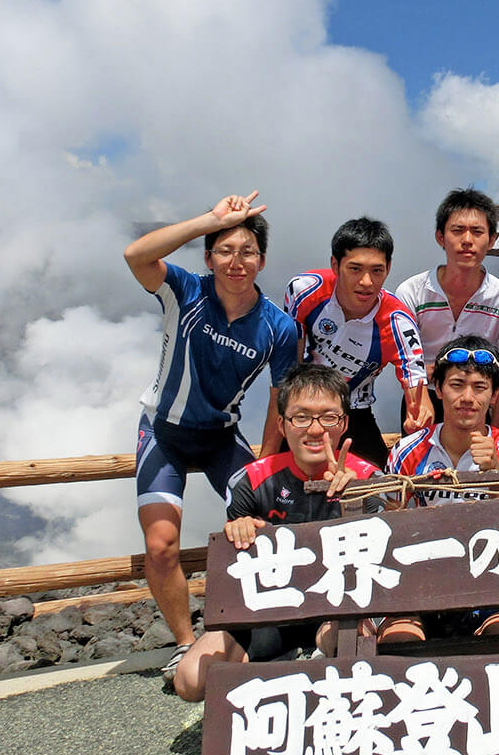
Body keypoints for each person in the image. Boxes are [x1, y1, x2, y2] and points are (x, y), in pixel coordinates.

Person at [124, 191, 299, 680]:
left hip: (222, 436)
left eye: (247, 252)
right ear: (208, 257)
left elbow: (279, 398)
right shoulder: (185, 290)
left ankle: (259, 632)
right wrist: (210, 219)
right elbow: (135, 255)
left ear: (262, 261)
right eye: (224, 250)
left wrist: (266, 462)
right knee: (160, 545)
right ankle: (185, 642)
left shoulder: (277, 327)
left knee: (273, 520)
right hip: (164, 431)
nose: (236, 261)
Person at [171, 365, 384, 702]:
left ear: (344, 424)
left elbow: (381, 559)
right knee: (190, 679)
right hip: (268, 612)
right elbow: (237, 565)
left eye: (328, 418)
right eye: (301, 418)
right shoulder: (251, 480)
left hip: (337, 610)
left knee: (356, 649)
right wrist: (238, 527)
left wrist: (352, 502)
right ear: (282, 425)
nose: (316, 430)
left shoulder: (369, 479)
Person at [381, 335, 499, 642]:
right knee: (399, 640)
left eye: (479, 387)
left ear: (494, 396)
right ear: (438, 390)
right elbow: (390, 524)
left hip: (496, 579)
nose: (467, 397)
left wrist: (494, 476)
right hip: (421, 577)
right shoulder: (406, 451)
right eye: (456, 385)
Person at [285, 217, 433, 469]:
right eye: (355, 269)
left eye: (377, 270)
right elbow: (289, 365)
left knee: (384, 490)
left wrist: (419, 417)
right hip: (303, 405)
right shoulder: (304, 290)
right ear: (335, 264)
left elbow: (419, 399)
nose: (366, 282)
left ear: (388, 268)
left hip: (354, 411)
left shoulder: (398, 323)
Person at [394, 189, 499, 426]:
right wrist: (420, 405)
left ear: (492, 240)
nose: (467, 240)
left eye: (477, 232)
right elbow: (406, 362)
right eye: (457, 231)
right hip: (421, 399)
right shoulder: (412, 292)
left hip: (476, 401)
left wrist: (496, 435)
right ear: (440, 237)